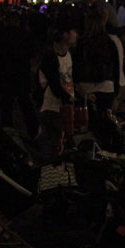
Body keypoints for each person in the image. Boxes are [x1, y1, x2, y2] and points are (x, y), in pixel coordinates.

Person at [36, 30, 74, 162]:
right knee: (55, 140)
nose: (67, 46)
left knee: (59, 139)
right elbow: (53, 83)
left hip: (62, 103)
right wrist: (67, 97)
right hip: (52, 105)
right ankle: (52, 170)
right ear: (55, 44)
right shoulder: (50, 58)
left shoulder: (67, 55)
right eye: (65, 43)